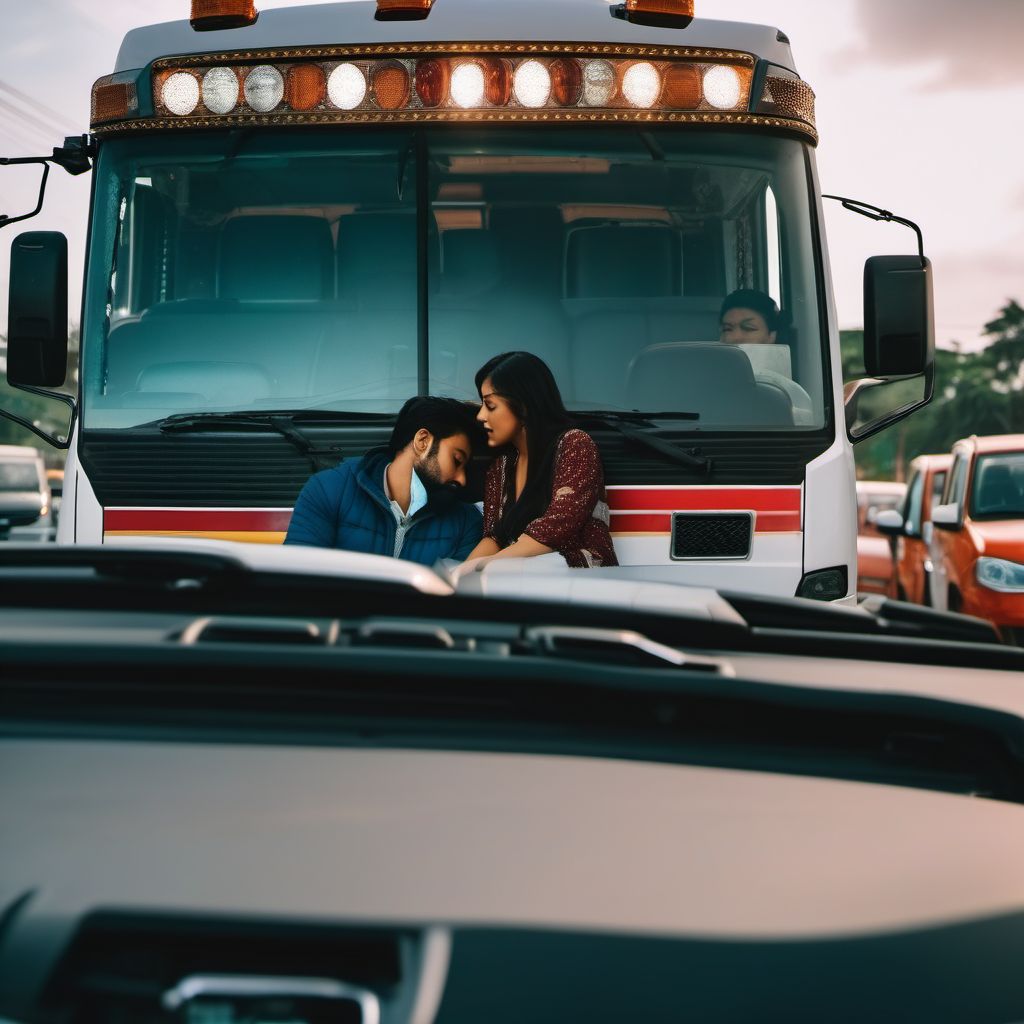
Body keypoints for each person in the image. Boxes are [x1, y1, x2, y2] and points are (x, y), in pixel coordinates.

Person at [462, 351, 617, 570]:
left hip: (581, 586)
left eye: (490, 405)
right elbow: (493, 537)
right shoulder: (502, 466)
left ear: (523, 406)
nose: (480, 416)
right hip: (518, 585)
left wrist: (484, 566)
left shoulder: (575, 445)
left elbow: (555, 529)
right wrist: (458, 576)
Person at [285, 396, 483, 564]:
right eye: (456, 460)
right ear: (423, 441)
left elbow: (459, 601)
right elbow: (296, 583)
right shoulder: (329, 490)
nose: (462, 480)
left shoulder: (466, 522)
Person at [719, 288, 815, 426]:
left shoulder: (790, 394)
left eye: (748, 328)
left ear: (772, 335)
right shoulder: (704, 385)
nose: (735, 337)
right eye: (727, 329)